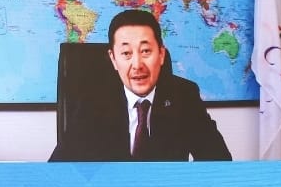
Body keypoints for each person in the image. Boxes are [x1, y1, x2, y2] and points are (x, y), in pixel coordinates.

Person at [49, 8, 232, 162]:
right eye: (126, 53)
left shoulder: (184, 96)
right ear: (113, 59)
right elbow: (59, 170)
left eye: (145, 51)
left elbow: (219, 163)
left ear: (161, 55)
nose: (137, 65)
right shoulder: (92, 101)